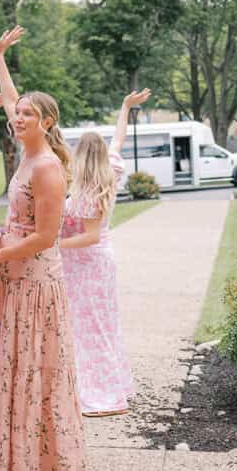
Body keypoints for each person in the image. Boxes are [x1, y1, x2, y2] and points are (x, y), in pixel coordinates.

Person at [0, 26, 86, 471]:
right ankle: (14, 459)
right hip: (13, 274)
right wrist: (0, 56)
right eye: (17, 112)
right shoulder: (26, 152)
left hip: (36, 282)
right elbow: (8, 98)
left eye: (28, 114)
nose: (18, 116)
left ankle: (41, 467)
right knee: (13, 366)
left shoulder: (47, 168)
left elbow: (46, 237)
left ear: (45, 122)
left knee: (35, 368)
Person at [59, 89, 150, 417]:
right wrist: (125, 106)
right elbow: (120, 139)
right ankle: (111, 384)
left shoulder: (90, 191)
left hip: (89, 265)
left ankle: (103, 394)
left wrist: (54, 244)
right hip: (92, 265)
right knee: (99, 325)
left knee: (92, 328)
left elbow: (89, 236)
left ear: (80, 154)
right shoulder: (109, 172)